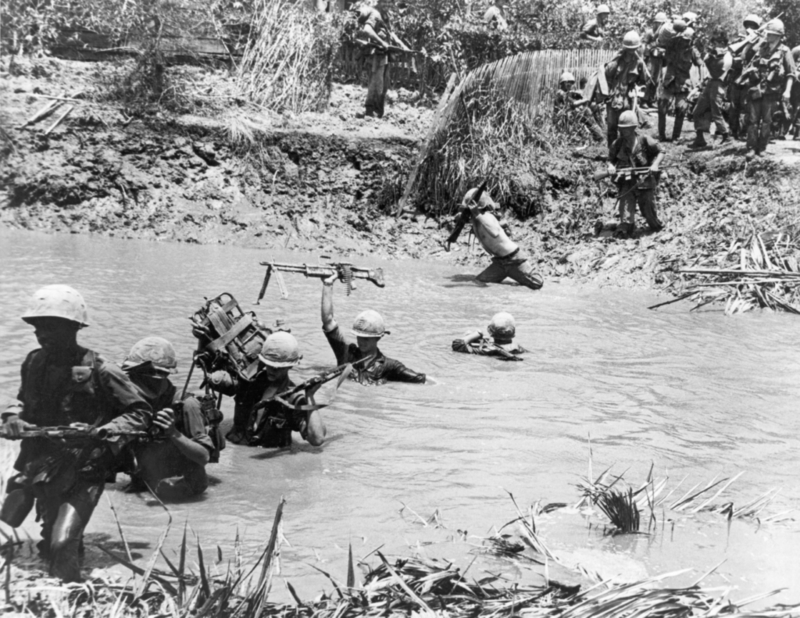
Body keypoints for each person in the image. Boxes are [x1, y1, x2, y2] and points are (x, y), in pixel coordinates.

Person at [0, 285, 151, 582]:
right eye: (37, 327)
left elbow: (141, 413)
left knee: (62, 541)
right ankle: (54, 583)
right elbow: (21, 401)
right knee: (42, 533)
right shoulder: (33, 362)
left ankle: (70, 593)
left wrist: (105, 431)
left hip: (84, 467)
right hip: (41, 463)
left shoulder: (100, 369)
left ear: (73, 328)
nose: (41, 334)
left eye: (50, 327)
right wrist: (12, 416)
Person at [121, 337, 215, 501]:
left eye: (136, 376)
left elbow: (203, 457)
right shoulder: (134, 403)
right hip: (144, 477)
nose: (131, 381)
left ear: (157, 377)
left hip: (183, 484)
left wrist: (173, 432)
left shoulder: (187, 404)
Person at [211, 332, 326, 448]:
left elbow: (317, 439)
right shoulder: (247, 382)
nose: (272, 370)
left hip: (268, 460)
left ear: (290, 366)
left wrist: (310, 396)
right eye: (269, 364)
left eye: (278, 367)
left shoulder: (292, 398)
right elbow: (215, 374)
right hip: (237, 451)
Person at [320, 279, 426, 385]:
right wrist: (327, 284)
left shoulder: (389, 366)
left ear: (378, 337)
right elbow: (328, 322)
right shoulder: (346, 354)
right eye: (359, 337)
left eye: (366, 338)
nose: (361, 341)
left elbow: (420, 379)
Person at [453, 187, 544, 290]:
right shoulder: (477, 220)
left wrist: (477, 214)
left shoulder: (486, 217)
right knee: (480, 281)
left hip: (514, 260)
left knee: (537, 284)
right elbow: (474, 224)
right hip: (500, 263)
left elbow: (494, 232)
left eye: (467, 209)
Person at [739, 19, 796, 155]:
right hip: (756, 88)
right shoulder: (761, 47)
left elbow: (790, 74)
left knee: (767, 121)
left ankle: (762, 148)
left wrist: (787, 91)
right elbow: (744, 56)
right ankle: (751, 147)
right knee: (752, 120)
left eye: (770, 33)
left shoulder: (785, 51)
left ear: (778, 35)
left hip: (772, 91)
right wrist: (752, 40)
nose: (767, 35)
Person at [607, 110, 665, 236]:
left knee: (648, 211)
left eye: (627, 129)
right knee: (626, 209)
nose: (623, 132)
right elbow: (610, 160)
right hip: (626, 182)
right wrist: (611, 166)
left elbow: (661, 151)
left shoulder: (644, 140)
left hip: (644, 180)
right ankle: (626, 228)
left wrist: (655, 164)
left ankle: (656, 227)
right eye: (621, 129)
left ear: (633, 128)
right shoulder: (617, 144)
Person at [353, 0, 410, 118]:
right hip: (376, 55)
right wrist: (381, 42)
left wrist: (401, 44)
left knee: (384, 84)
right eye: (385, 2)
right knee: (376, 83)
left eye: (389, 3)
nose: (387, 5)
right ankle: (370, 110)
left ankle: (378, 112)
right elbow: (367, 30)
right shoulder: (375, 14)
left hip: (385, 55)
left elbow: (390, 32)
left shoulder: (385, 16)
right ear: (379, 2)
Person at [657, 19, 701, 142]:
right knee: (662, 107)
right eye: (684, 40)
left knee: (681, 109)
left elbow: (700, 64)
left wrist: (701, 82)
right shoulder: (672, 45)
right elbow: (661, 45)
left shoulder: (692, 50)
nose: (686, 42)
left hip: (683, 83)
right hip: (670, 81)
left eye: (688, 40)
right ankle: (661, 135)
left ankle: (676, 136)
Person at [604, 30, 648, 148]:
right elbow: (606, 76)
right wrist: (615, 60)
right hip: (614, 99)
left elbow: (644, 82)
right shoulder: (616, 62)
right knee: (612, 128)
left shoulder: (639, 63)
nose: (631, 52)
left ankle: (626, 153)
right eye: (629, 49)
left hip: (628, 100)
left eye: (634, 49)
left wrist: (637, 90)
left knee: (627, 127)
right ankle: (612, 154)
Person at [691, 29, 732, 147]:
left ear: (724, 43)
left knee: (716, 112)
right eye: (714, 42)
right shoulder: (712, 54)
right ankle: (700, 138)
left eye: (719, 42)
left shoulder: (727, 57)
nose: (715, 44)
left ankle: (726, 135)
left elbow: (716, 73)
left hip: (719, 84)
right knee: (698, 111)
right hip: (710, 83)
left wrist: (712, 58)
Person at [728, 14, 764, 140]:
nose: (750, 27)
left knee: (746, 106)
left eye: (753, 25)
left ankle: (744, 132)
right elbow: (730, 56)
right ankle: (733, 131)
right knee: (734, 106)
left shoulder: (761, 42)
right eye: (748, 25)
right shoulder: (740, 41)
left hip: (750, 78)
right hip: (736, 76)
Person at [553, 71, 605, 142]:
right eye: (570, 83)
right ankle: (599, 136)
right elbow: (573, 104)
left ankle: (599, 134)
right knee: (585, 111)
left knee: (588, 109)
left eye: (572, 83)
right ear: (565, 83)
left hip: (567, 117)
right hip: (561, 119)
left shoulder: (565, 93)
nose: (571, 85)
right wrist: (586, 100)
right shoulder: (560, 93)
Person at [452, 313, 526, 361]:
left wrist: (477, 334)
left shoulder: (489, 350)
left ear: (490, 331)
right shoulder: (519, 349)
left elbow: (457, 344)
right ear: (513, 332)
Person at [643, 11, 668, 107]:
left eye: (662, 23)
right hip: (650, 58)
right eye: (659, 23)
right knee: (649, 78)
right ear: (655, 23)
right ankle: (644, 100)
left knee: (657, 80)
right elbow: (645, 46)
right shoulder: (650, 33)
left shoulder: (664, 34)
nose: (660, 25)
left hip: (659, 59)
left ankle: (651, 100)